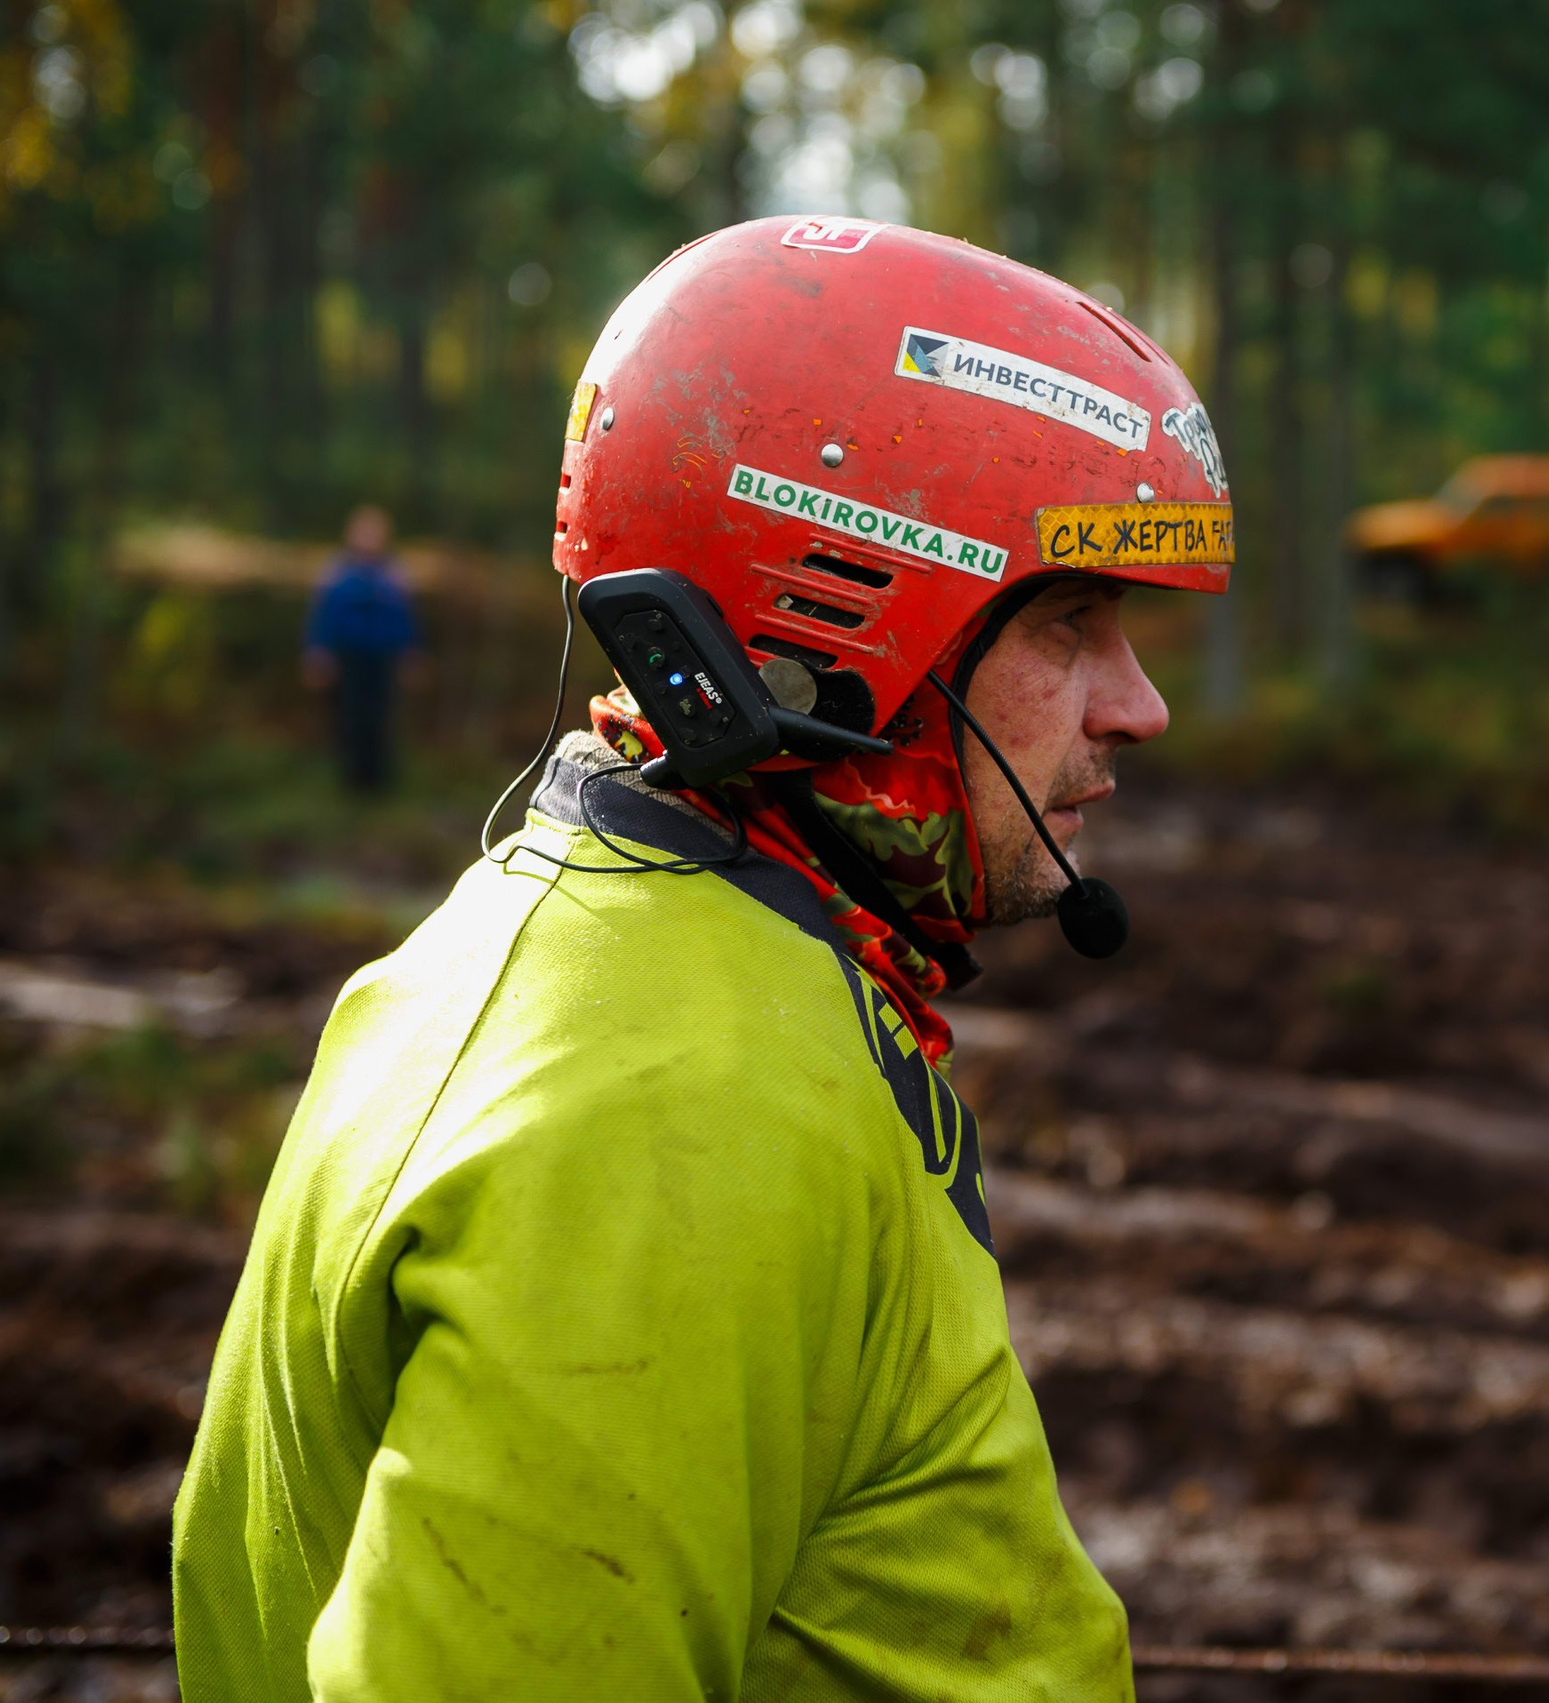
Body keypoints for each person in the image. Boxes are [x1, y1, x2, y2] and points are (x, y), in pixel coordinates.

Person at [172, 220, 1232, 1700]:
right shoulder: (677, 1109)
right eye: (1071, 623)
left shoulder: (649, 950)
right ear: (852, 612)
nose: (1138, 707)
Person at [303, 505, 418, 793]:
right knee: (349, 716)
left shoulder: (392, 576)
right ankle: (350, 780)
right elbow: (324, 616)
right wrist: (319, 651)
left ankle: (378, 780)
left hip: (382, 658)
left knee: (379, 717)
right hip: (349, 658)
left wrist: (411, 653)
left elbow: (404, 619)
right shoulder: (337, 573)